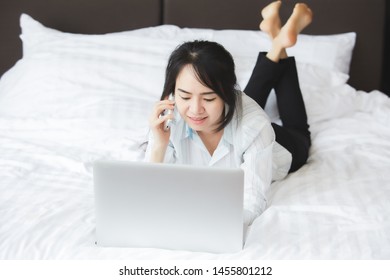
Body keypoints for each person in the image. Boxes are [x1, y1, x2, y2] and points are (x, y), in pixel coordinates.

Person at [145, 1, 313, 225]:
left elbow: (252, 200)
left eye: (208, 98)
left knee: (299, 131)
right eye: (184, 96)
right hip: (234, 118)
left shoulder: (255, 126)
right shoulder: (168, 117)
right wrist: (158, 144)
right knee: (242, 108)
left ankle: (279, 43)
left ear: (227, 93)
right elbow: (147, 194)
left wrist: (213, 227)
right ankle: (277, 42)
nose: (194, 109)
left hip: (281, 145)